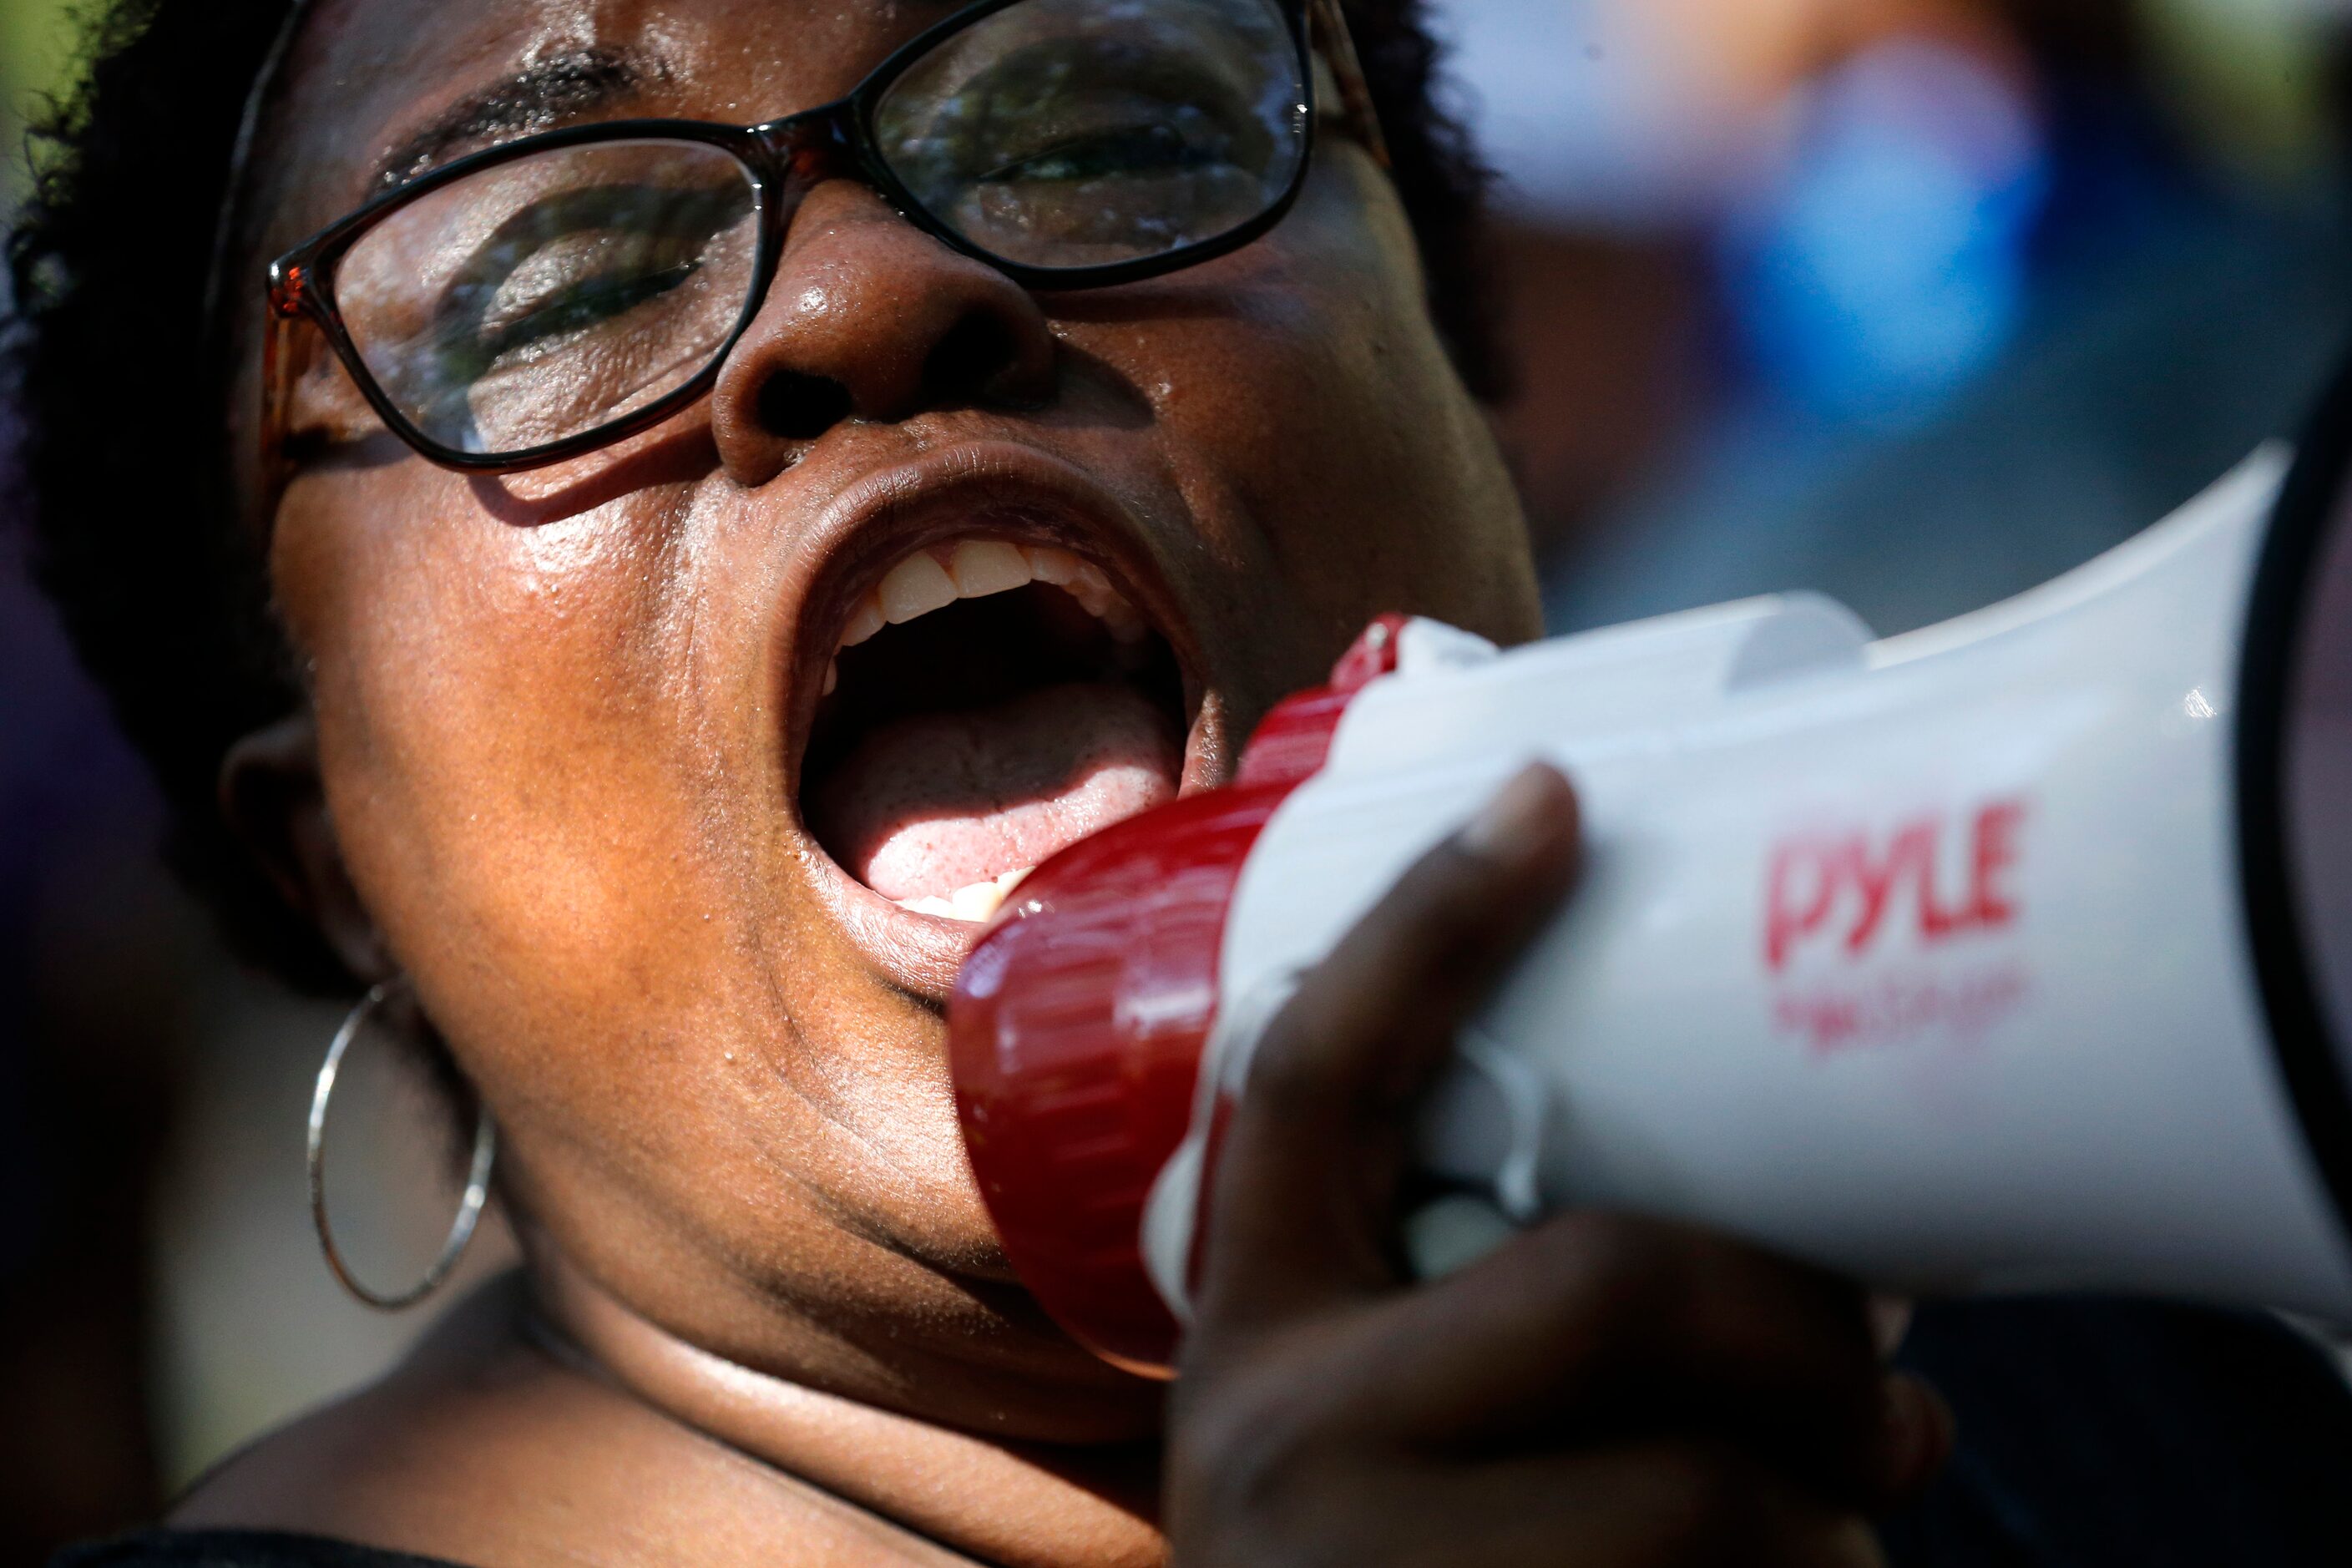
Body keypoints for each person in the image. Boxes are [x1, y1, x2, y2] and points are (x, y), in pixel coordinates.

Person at [7, 2, 2350, 1564]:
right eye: (544, 289)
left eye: (1101, 126)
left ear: (1482, 435)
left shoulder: (2092, 1358)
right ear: (336, 872)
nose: (860, 304)